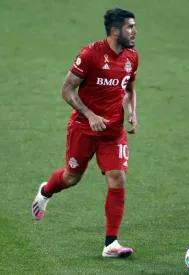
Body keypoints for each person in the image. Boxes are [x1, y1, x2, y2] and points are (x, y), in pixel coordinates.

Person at [31, 8, 139, 258]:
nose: (134, 31)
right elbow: (67, 90)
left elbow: (129, 88)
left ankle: (111, 244)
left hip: (113, 132)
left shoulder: (131, 57)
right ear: (115, 30)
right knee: (71, 178)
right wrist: (91, 116)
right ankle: (46, 191)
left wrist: (132, 112)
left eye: (134, 26)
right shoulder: (90, 54)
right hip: (83, 129)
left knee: (118, 178)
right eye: (130, 27)